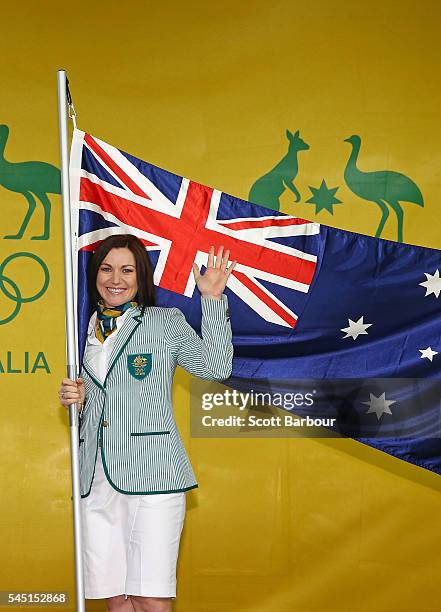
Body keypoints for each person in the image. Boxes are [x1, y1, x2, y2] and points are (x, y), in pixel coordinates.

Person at [59, 234, 235, 612]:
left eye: (127, 269)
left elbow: (216, 368)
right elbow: (99, 403)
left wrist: (213, 300)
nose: (115, 279)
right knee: (117, 600)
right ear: (94, 275)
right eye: (106, 269)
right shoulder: (83, 328)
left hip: (154, 478)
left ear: (141, 277)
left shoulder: (164, 322)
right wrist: (81, 401)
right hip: (97, 479)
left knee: (150, 598)